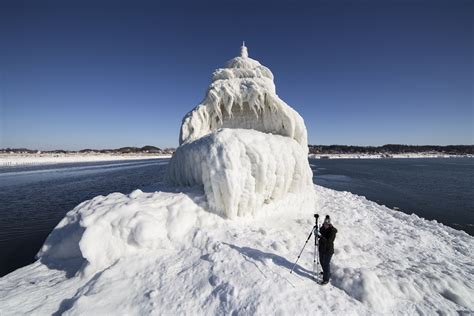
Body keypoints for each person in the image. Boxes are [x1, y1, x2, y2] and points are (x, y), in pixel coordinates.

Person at [318, 215, 337, 285]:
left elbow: (329, 241)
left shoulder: (332, 231)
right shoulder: (322, 228)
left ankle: (326, 279)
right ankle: (326, 272)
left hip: (328, 250)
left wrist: (321, 236)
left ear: (330, 224)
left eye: (327, 224)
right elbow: (319, 235)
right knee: (321, 262)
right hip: (322, 249)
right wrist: (317, 234)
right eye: (325, 223)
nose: (325, 225)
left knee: (326, 264)